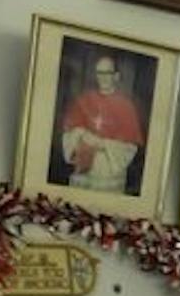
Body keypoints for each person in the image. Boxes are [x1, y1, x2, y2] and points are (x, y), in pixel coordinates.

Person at [58, 51, 145, 194]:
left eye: (107, 73)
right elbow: (69, 133)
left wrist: (103, 144)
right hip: (84, 166)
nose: (103, 77)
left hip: (108, 169)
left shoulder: (126, 106)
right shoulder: (84, 99)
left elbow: (130, 147)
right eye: (99, 73)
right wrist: (81, 133)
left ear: (116, 76)